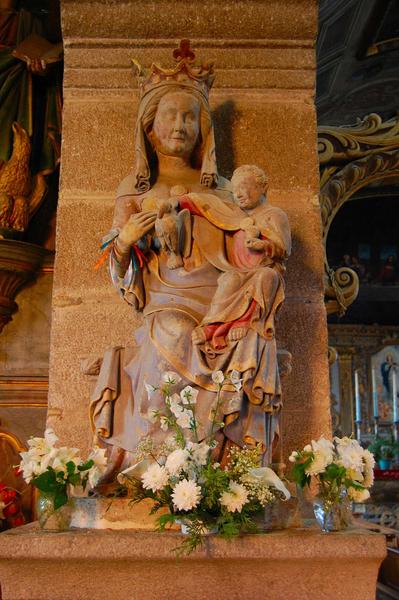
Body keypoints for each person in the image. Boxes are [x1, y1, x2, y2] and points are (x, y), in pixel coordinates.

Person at [91, 42, 290, 479]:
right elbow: (118, 268)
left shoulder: (225, 189)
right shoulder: (136, 189)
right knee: (174, 331)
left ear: (203, 128)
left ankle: (229, 474)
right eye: (169, 116)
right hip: (166, 299)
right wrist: (124, 241)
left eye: (189, 117)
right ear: (149, 127)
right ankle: (170, 471)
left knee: (255, 341)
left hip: (221, 297)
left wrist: (259, 250)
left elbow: (243, 244)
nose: (179, 126)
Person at [191, 164, 290, 349]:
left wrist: (264, 245)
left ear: (263, 187)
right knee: (227, 280)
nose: (238, 193)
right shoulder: (234, 217)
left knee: (266, 276)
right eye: (234, 190)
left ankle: (247, 321)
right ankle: (213, 326)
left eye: (244, 187)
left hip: (264, 270)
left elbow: (284, 249)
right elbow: (206, 211)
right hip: (237, 270)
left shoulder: (274, 215)